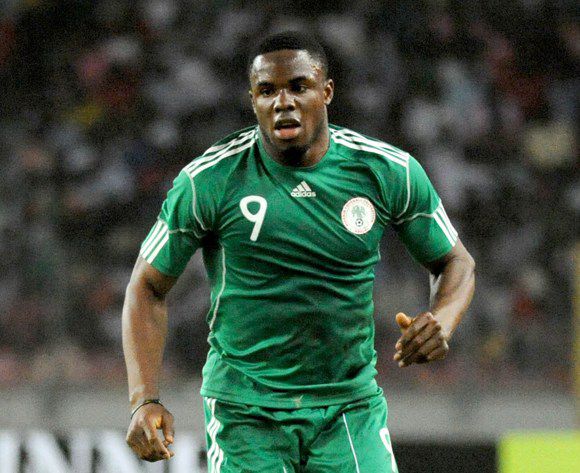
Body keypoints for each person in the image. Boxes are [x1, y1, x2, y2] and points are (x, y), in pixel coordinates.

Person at [123, 31, 475, 472]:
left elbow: (455, 261)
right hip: (246, 411)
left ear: (326, 91)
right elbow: (146, 286)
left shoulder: (387, 171)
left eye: (298, 86)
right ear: (253, 100)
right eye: (267, 91)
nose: (283, 102)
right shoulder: (209, 180)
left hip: (349, 408)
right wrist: (144, 400)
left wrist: (443, 320)